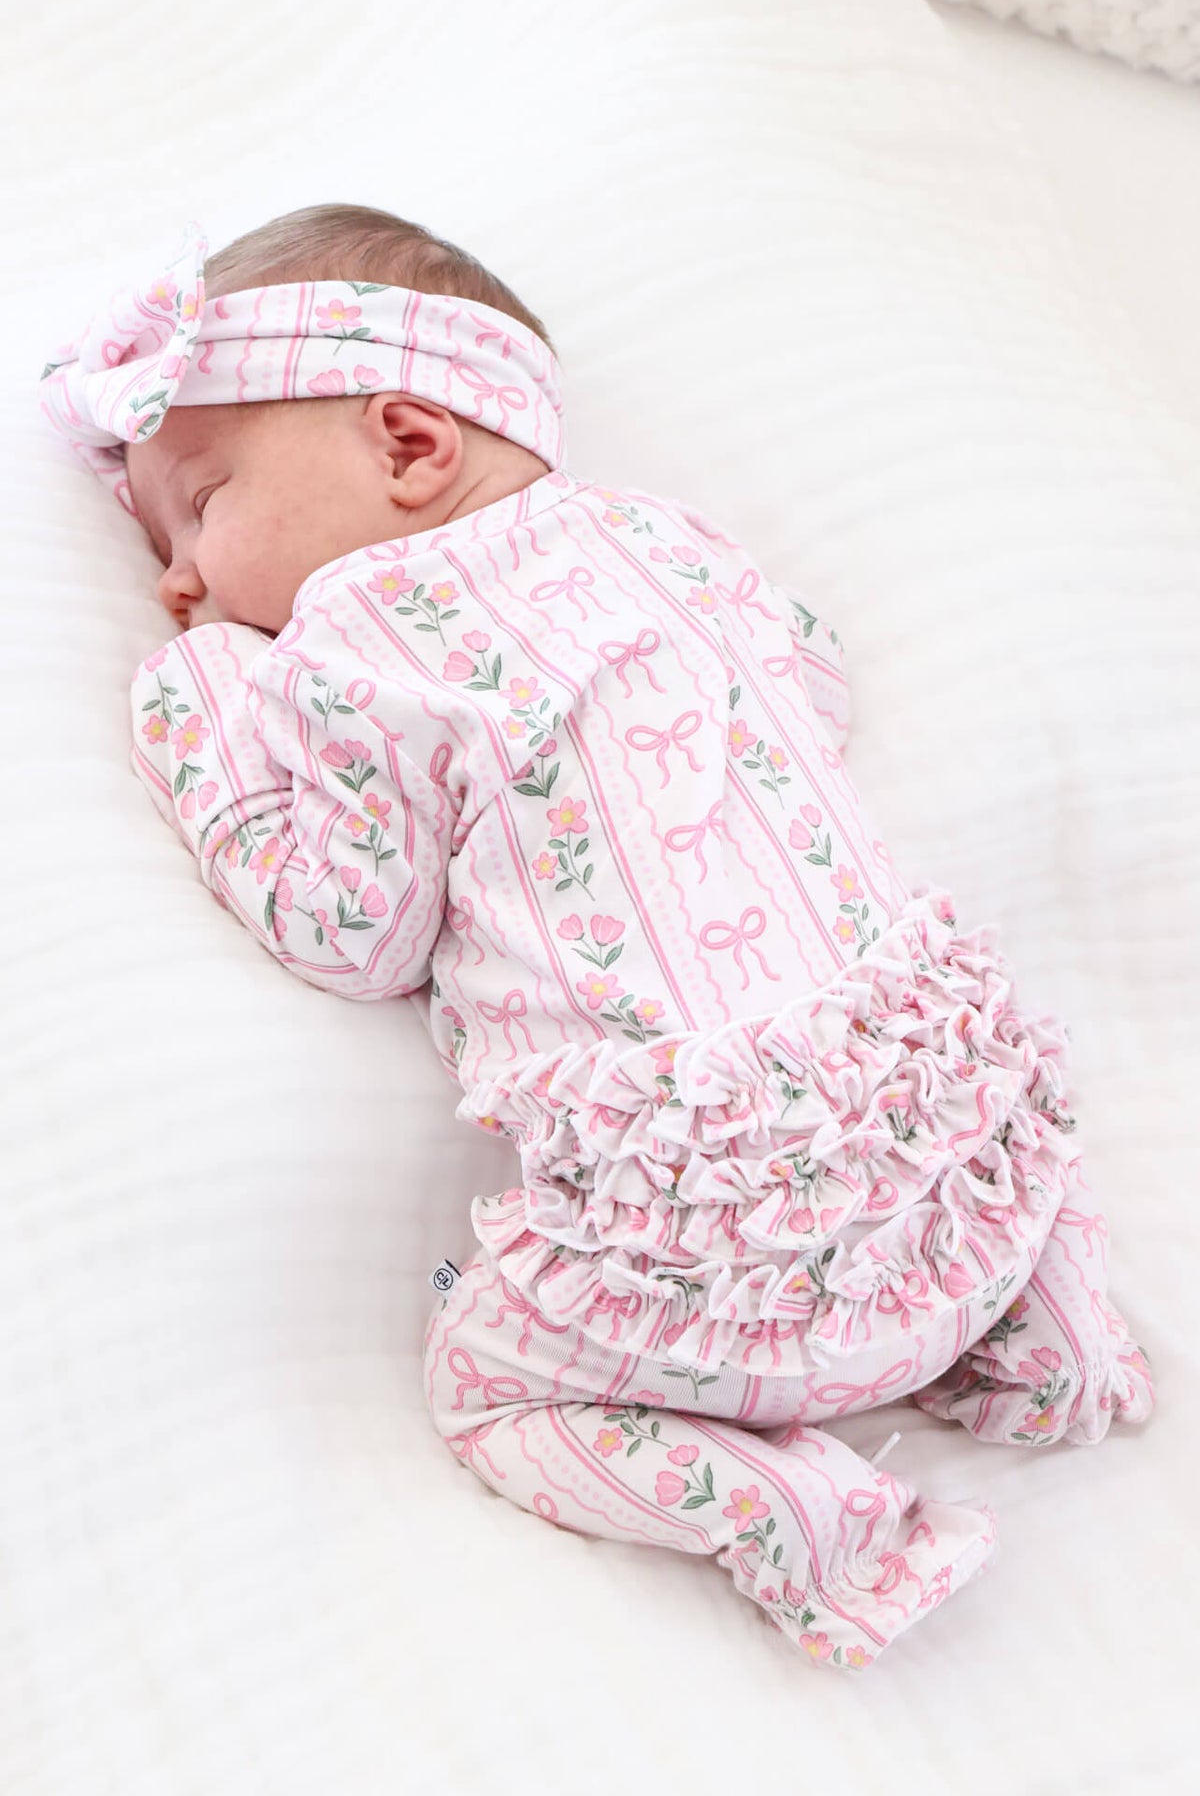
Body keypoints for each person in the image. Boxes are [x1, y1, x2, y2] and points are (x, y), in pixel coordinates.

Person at [40, 203, 1153, 1672]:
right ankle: (1050, 1340)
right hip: (958, 1154)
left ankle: (815, 1519)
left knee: (488, 1389)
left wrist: (203, 718)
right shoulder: (664, 538)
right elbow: (813, 680)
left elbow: (351, 934)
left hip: (716, 1263)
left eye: (201, 506)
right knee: (966, 1111)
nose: (176, 582)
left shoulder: (358, 643)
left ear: (408, 445)